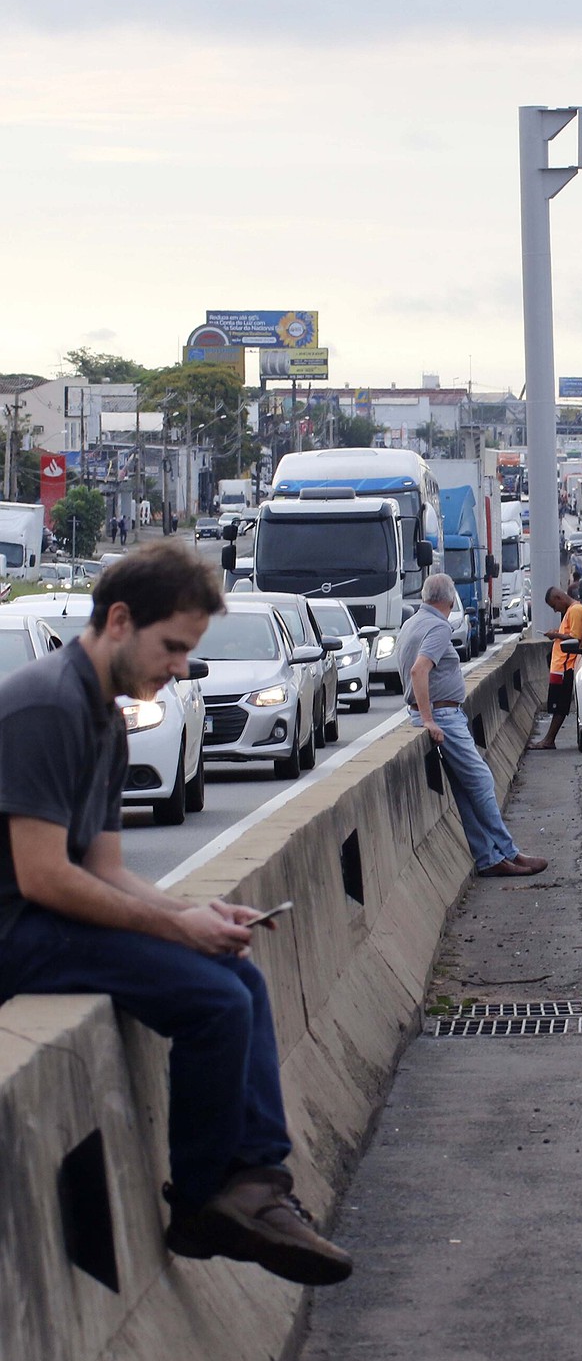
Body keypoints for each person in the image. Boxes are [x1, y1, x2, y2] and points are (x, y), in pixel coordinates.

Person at [0, 542, 352, 1286]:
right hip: (16, 931)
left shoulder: (103, 718)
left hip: (46, 919)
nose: (181, 668)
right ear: (120, 620)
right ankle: (201, 1203)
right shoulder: (43, 706)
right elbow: (42, 877)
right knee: (215, 1003)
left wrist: (198, 914)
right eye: (174, 648)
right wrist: (175, 928)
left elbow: (108, 871)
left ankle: (255, 1185)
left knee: (239, 979)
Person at [397, 574, 547, 878]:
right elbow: (418, 671)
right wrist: (429, 719)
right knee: (480, 781)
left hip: (429, 713)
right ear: (450, 600)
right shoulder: (438, 626)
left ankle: (488, 858)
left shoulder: (410, 624)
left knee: (465, 791)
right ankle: (510, 851)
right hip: (443, 717)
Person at [529, 585, 582, 751]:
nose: (555, 610)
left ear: (559, 598)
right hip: (561, 666)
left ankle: (549, 740)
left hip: (566, 666)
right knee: (557, 705)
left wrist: (554, 635)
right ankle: (548, 739)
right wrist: (558, 633)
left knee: (560, 705)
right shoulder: (571, 611)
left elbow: (575, 638)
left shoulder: (575, 610)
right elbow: (569, 634)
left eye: (554, 606)